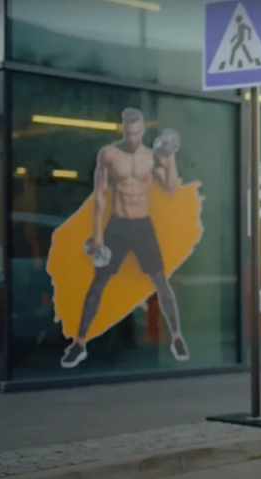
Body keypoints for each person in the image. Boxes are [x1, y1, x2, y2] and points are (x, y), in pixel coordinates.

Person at [60, 108, 188, 369]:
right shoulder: (108, 154)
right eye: (129, 134)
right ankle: (80, 343)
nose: (132, 139)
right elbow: (99, 195)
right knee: (98, 283)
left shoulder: (151, 157)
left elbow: (171, 187)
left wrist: (170, 156)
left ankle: (176, 337)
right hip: (117, 225)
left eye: (137, 133)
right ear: (123, 129)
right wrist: (97, 234)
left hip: (143, 226)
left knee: (161, 281)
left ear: (142, 130)